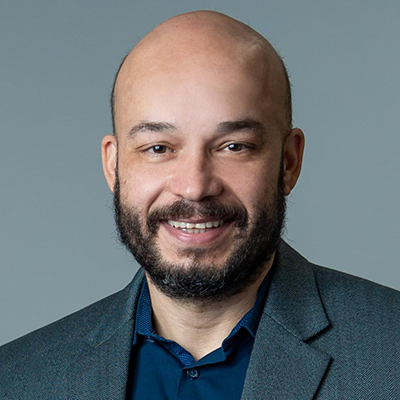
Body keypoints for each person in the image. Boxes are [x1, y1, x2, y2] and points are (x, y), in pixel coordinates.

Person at [1, 10, 399, 400]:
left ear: (288, 162)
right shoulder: (18, 379)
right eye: (158, 148)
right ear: (114, 166)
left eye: (234, 146)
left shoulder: (389, 353)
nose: (194, 187)